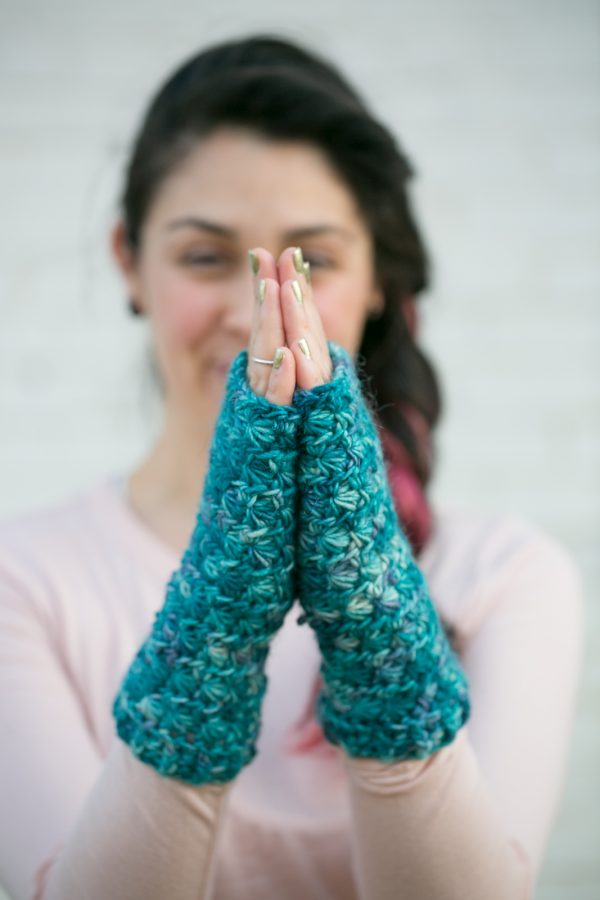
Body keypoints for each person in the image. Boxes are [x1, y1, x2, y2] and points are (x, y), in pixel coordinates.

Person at [0, 33, 585, 900]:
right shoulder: (24, 579)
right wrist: (217, 621)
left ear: (380, 276)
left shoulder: (505, 575)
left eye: (310, 262)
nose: (255, 312)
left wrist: (376, 625)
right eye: (207, 256)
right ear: (129, 261)